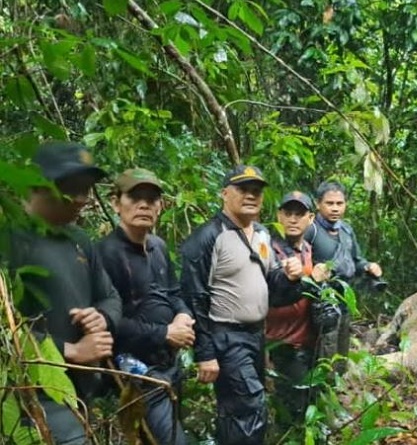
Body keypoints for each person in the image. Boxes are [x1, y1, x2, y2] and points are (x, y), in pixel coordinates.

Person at [3, 140, 122, 444]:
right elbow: (6, 328)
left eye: (87, 189)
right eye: (73, 188)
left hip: (81, 394)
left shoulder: (79, 239)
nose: (83, 199)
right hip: (32, 397)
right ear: (41, 186)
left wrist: (102, 316)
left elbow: (110, 296)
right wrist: (72, 352)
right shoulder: (11, 240)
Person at [179, 165, 302, 445]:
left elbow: (274, 287)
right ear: (225, 194)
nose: (251, 196)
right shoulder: (208, 237)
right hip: (226, 336)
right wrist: (205, 352)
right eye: (243, 190)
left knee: (237, 410)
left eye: (256, 191)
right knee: (249, 404)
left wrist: (291, 277)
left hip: (256, 335)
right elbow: (194, 297)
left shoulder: (261, 234)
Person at [96, 168, 192, 445]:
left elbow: (173, 292)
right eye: (135, 197)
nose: (144, 205)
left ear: (160, 206)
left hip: (169, 364)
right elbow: (110, 322)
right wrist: (164, 332)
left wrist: (184, 314)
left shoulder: (158, 246)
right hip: (136, 371)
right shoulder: (106, 253)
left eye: (152, 199)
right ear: (116, 203)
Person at [265, 191, 332, 434]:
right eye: (288, 213)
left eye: (299, 214)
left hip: (310, 343)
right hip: (281, 345)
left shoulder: (308, 249)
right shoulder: (269, 251)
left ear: (310, 218)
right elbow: (273, 296)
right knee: (287, 411)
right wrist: (310, 281)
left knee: (310, 404)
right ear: (279, 216)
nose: (293, 219)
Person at [304, 181, 383, 364]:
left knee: (342, 350)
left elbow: (356, 259)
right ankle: (322, 390)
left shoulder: (346, 230)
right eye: (329, 203)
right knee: (325, 352)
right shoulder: (311, 230)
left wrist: (368, 266)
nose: (335, 208)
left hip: (345, 299)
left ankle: (337, 389)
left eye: (339, 204)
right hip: (321, 301)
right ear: (318, 204)